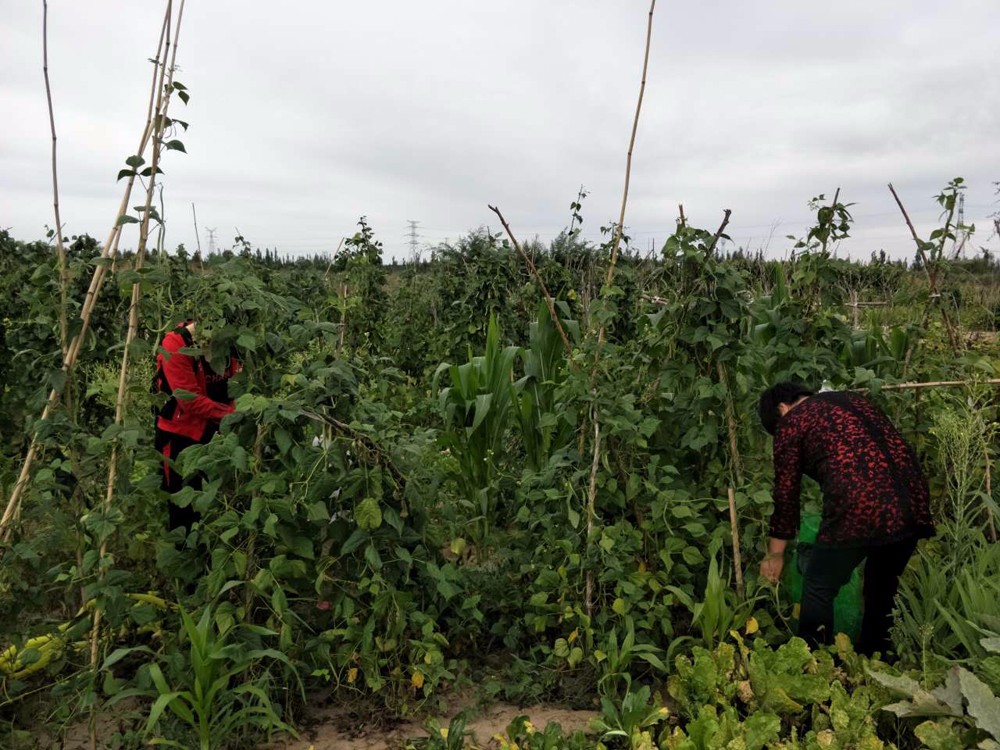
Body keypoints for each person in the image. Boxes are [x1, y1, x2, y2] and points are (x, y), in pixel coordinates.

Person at [757, 382, 934, 656]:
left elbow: (786, 493)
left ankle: (816, 664)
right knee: (881, 585)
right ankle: (874, 662)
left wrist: (775, 554)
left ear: (781, 408)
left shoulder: (792, 420)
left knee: (818, 583)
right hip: (913, 497)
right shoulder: (854, 401)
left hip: (860, 503)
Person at [153, 319, 238, 534]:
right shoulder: (176, 343)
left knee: (224, 502)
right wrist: (234, 415)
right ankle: (184, 555)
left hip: (221, 432)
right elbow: (189, 399)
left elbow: (239, 384)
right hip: (182, 433)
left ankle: (213, 558)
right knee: (184, 507)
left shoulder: (232, 341)